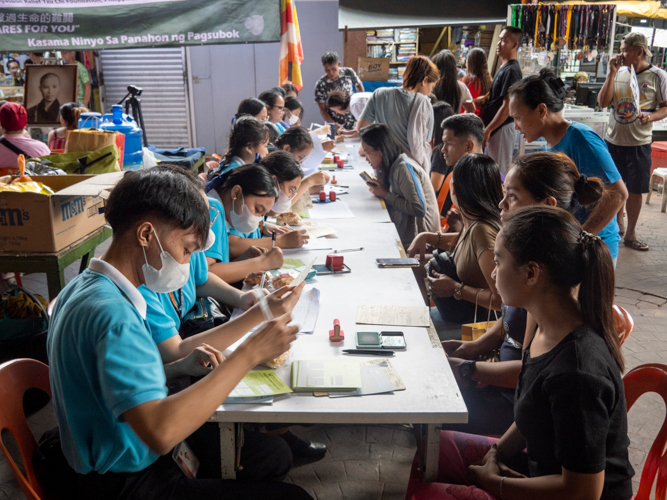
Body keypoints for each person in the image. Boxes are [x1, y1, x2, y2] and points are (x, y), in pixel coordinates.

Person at [44, 166, 312, 499]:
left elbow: (110, 379)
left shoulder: (87, 286)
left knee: (269, 457)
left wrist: (175, 368)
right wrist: (249, 354)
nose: (187, 264)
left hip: (114, 449)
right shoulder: (115, 315)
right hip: (123, 479)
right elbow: (160, 431)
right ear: (145, 234)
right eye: (186, 250)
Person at [416, 205, 633, 500]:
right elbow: (533, 411)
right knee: (426, 449)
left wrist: (496, 484)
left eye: (498, 261)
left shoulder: (579, 372)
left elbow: (583, 491)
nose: (493, 272)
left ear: (531, 273)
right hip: (538, 472)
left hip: (569, 492)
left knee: (426, 494)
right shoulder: (546, 328)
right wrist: (496, 452)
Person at [441, 151, 606, 436]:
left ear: (548, 205)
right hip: (511, 389)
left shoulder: (544, 279)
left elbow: (530, 371)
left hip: (517, 403)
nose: (501, 204)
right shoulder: (526, 263)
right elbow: (508, 323)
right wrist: (474, 349)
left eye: (512, 196)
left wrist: (471, 369)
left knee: (433, 411)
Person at [509, 68, 628, 265]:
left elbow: (617, 194)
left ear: (541, 110)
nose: (516, 126)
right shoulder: (551, 143)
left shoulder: (581, 140)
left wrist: (579, 238)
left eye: (518, 118)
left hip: (593, 249)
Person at [409, 154, 503, 333]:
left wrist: (456, 289)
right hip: (459, 317)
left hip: (474, 328)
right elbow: (465, 245)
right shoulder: (474, 220)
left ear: (455, 188)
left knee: (415, 332)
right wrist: (428, 236)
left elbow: (501, 301)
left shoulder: (482, 231)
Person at [598, 32, 667, 252]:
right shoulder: (618, 72)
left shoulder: (658, 76)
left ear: (639, 51)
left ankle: (631, 233)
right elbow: (603, 102)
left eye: (625, 49)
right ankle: (616, 226)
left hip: (639, 142)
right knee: (612, 186)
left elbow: (665, 107)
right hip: (613, 140)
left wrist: (652, 117)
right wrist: (611, 74)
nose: (621, 53)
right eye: (621, 49)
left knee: (635, 190)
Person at [360, 123, 440, 248]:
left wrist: (386, 194)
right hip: (408, 233)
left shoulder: (404, 168)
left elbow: (418, 209)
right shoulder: (393, 166)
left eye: (367, 152)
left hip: (420, 241)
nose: (366, 158)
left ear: (380, 149)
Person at [205, 164, 285, 284]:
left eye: (262, 214)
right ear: (236, 193)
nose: (258, 219)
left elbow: (216, 265)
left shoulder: (222, 212)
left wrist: (242, 260)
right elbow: (206, 274)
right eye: (257, 210)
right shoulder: (212, 209)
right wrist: (262, 263)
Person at [357, 55, 439, 171]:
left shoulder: (379, 94)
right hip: (410, 170)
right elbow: (424, 144)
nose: (430, 92)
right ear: (425, 81)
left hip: (383, 166)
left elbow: (361, 129)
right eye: (432, 86)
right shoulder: (425, 106)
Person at [227, 152, 309, 258]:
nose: (291, 196)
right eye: (291, 190)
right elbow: (233, 246)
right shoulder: (242, 205)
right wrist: (281, 241)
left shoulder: (257, 204)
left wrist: (263, 226)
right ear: (274, 181)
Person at [481, 26, 523, 175]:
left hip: (501, 128)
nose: (499, 44)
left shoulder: (512, 70)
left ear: (514, 45)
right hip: (496, 128)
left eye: (503, 41)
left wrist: (489, 130)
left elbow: (507, 106)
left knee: (498, 173)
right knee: (491, 171)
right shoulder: (504, 67)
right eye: (498, 40)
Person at [431, 114, 485, 222]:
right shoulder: (465, 173)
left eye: (449, 143)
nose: (443, 150)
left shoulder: (481, 182)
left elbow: (479, 234)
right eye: (443, 143)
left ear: (469, 146)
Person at [314, 51, 364, 129]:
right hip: (335, 122)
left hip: (354, 117)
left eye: (334, 69)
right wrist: (333, 124)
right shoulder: (320, 84)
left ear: (339, 64)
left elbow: (359, 86)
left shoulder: (348, 72)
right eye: (327, 70)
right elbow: (323, 110)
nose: (331, 73)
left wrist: (360, 106)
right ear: (323, 66)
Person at [462, 47, 492, 116]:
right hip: (482, 119)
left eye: (466, 61)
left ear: (469, 63)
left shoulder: (467, 81)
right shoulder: (490, 80)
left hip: (466, 119)